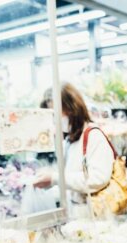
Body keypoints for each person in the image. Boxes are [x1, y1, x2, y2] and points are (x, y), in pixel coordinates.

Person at [39, 83, 114, 214]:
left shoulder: (93, 136)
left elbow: (98, 178)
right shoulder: (70, 139)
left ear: (71, 109)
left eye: (55, 114)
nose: (54, 120)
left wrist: (55, 178)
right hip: (76, 212)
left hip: (94, 214)